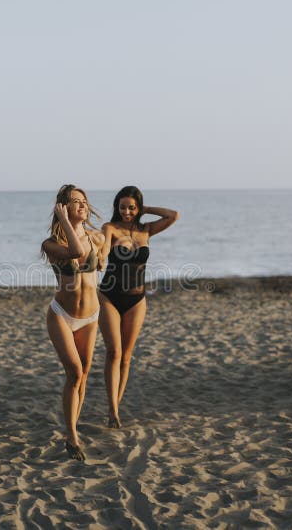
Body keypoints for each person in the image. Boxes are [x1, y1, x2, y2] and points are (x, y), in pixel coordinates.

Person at [98, 186, 178, 428]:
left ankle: (116, 407)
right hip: (109, 296)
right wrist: (100, 258)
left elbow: (173, 215)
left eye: (132, 207)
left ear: (138, 207)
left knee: (126, 357)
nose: (127, 212)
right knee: (114, 352)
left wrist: (146, 210)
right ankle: (112, 411)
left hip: (136, 299)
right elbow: (103, 253)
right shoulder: (110, 228)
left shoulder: (147, 230)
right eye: (123, 207)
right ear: (117, 207)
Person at [42, 184, 105, 461]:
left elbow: (100, 259)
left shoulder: (97, 238)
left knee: (84, 375)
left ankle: (72, 428)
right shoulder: (51, 244)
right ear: (63, 208)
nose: (81, 205)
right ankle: (72, 434)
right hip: (62, 316)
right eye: (74, 202)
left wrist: (101, 260)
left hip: (91, 316)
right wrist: (66, 222)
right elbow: (76, 252)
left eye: (83, 201)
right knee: (75, 373)